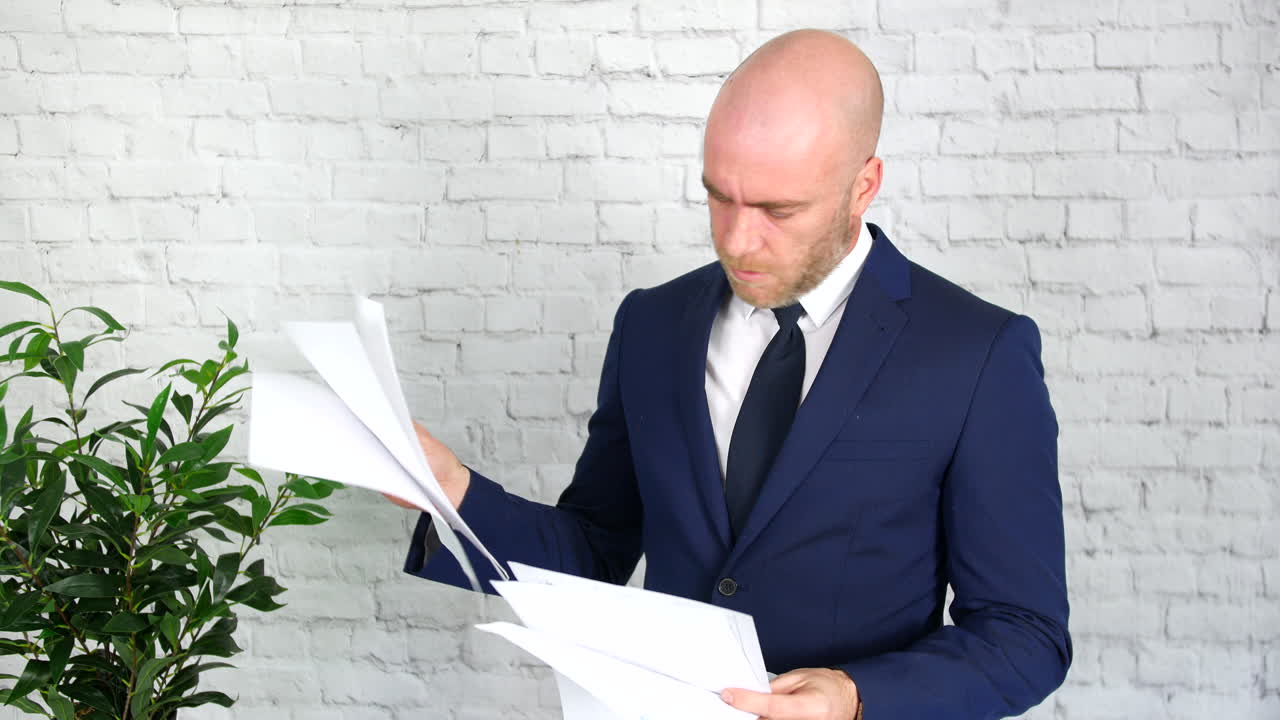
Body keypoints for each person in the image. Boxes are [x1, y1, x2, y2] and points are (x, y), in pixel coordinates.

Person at [387, 29, 1071, 720]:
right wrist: (453, 493)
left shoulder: (977, 354)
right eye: (720, 197)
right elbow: (595, 549)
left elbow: (1025, 635)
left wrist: (857, 697)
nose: (739, 241)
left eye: (778, 210)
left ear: (862, 186)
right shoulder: (652, 325)